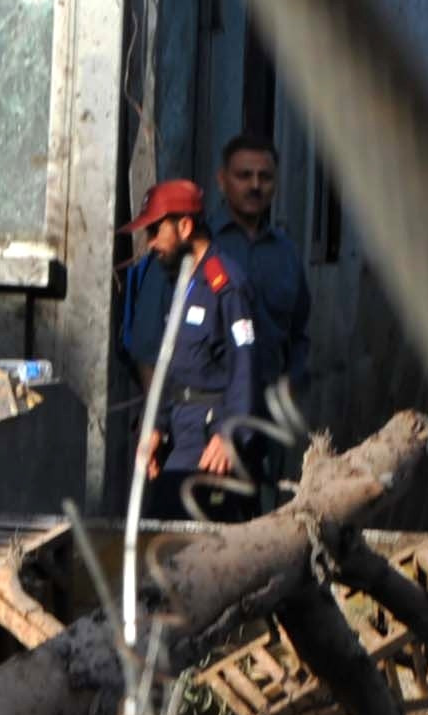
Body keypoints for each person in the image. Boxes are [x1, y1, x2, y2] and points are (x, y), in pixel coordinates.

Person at [125, 177, 266, 519]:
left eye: (155, 231)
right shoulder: (181, 282)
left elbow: (247, 366)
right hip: (181, 428)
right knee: (163, 528)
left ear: (185, 227)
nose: (150, 243)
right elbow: (174, 366)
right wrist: (156, 427)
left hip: (212, 437)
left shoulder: (225, 284)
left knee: (181, 533)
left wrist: (229, 435)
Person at [214, 131, 310, 424]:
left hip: (269, 415)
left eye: (265, 177)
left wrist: (291, 383)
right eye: (244, 175)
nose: (255, 185)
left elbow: (298, 333)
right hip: (211, 412)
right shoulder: (203, 246)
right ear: (222, 180)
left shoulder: (287, 254)